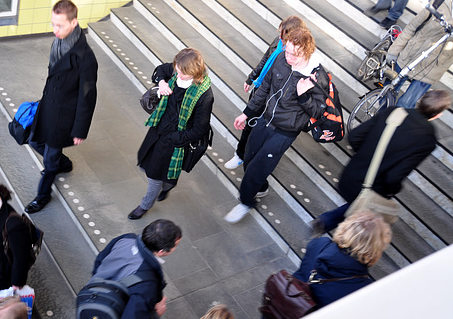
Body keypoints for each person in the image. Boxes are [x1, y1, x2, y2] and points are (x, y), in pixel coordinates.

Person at [224, 27, 327, 224]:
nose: (288, 57)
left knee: (257, 168)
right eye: (287, 51)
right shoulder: (281, 59)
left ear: (306, 51)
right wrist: (246, 113)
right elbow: (263, 89)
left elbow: (318, 113)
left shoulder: (317, 77)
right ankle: (261, 187)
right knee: (249, 157)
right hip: (266, 118)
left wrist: (303, 95)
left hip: (286, 131)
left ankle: (246, 202)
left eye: (294, 54)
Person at [312, 89, 450, 234]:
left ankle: (325, 223)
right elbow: (393, 177)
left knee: (357, 209)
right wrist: (391, 192)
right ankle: (327, 225)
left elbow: (354, 136)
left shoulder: (394, 112)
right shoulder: (427, 141)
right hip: (371, 188)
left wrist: (365, 156)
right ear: (438, 114)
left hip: (350, 176)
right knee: (365, 221)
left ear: (420, 100)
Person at [26, 0, 98, 214]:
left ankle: (43, 195)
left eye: (60, 25)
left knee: (49, 161)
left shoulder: (86, 58)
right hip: (49, 105)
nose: (55, 30)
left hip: (64, 115)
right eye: (53, 24)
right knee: (33, 140)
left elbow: (88, 96)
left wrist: (79, 130)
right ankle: (63, 163)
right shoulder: (58, 41)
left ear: (74, 22)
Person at [129, 48, 213, 220]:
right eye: (177, 70)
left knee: (154, 173)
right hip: (159, 127)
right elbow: (161, 70)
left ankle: (145, 204)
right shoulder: (177, 70)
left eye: (183, 72)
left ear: (194, 71)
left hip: (176, 138)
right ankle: (167, 184)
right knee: (146, 161)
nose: (177, 74)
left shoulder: (205, 95)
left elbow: (199, 130)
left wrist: (174, 138)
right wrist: (162, 83)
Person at [225, 16, 307, 170]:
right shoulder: (279, 41)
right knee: (248, 124)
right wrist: (251, 78)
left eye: (284, 35)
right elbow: (265, 60)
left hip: (273, 99)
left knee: (258, 129)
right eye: (280, 33)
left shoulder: (294, 58)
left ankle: (251, 158)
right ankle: (240, 154)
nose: (281, 38)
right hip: (260, 89)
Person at [384, 0, 453, 109]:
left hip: (431, 69)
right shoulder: (441, 1)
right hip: (409, 56)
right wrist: (394, 51)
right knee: (386, 94)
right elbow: (412, 27)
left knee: (405, 106)